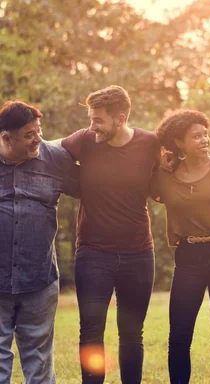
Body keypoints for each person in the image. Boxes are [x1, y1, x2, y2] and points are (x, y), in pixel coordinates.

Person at [61, 85, 159, 384]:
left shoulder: (149, 143)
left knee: (132, 333)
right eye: (90, 119)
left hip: (138, 254)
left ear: (120, 118)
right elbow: (48, 149)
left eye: (98, 120)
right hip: (93, 255)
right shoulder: (85, 140)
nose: (92, 126)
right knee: (91, 330)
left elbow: (171, 171)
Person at [152, 110, 210, 384]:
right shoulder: (164, 175)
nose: (205, 139)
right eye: (196, 136)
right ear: (179, 143)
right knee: (179, 335)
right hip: (188, 257)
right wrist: (161, 158)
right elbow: (139, 165)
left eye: (205, 133)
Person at [0, 101, 79, 383]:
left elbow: (96, 188)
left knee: (39, 360)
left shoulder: (55, 159)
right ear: (6, 138)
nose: (38, 139)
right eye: (29, 135)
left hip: (39, 278)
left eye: (39, 131)